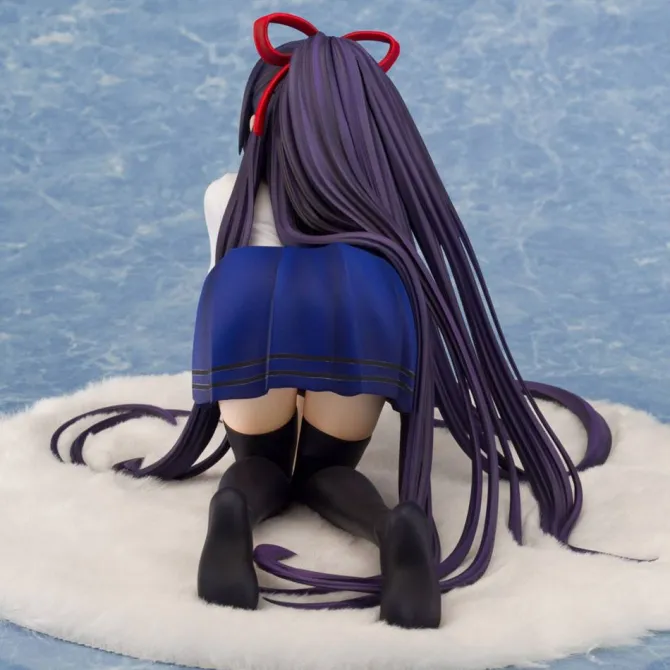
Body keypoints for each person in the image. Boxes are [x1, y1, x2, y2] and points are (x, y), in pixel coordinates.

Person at [51, 12, 614, 629]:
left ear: (261, 118)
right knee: (328, 469)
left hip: (248, 302)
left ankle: (233, 510)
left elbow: (217, 275)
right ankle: (392, 528)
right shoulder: (382, 203)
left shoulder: (225, 193)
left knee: (262, 462)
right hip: (354, 303)